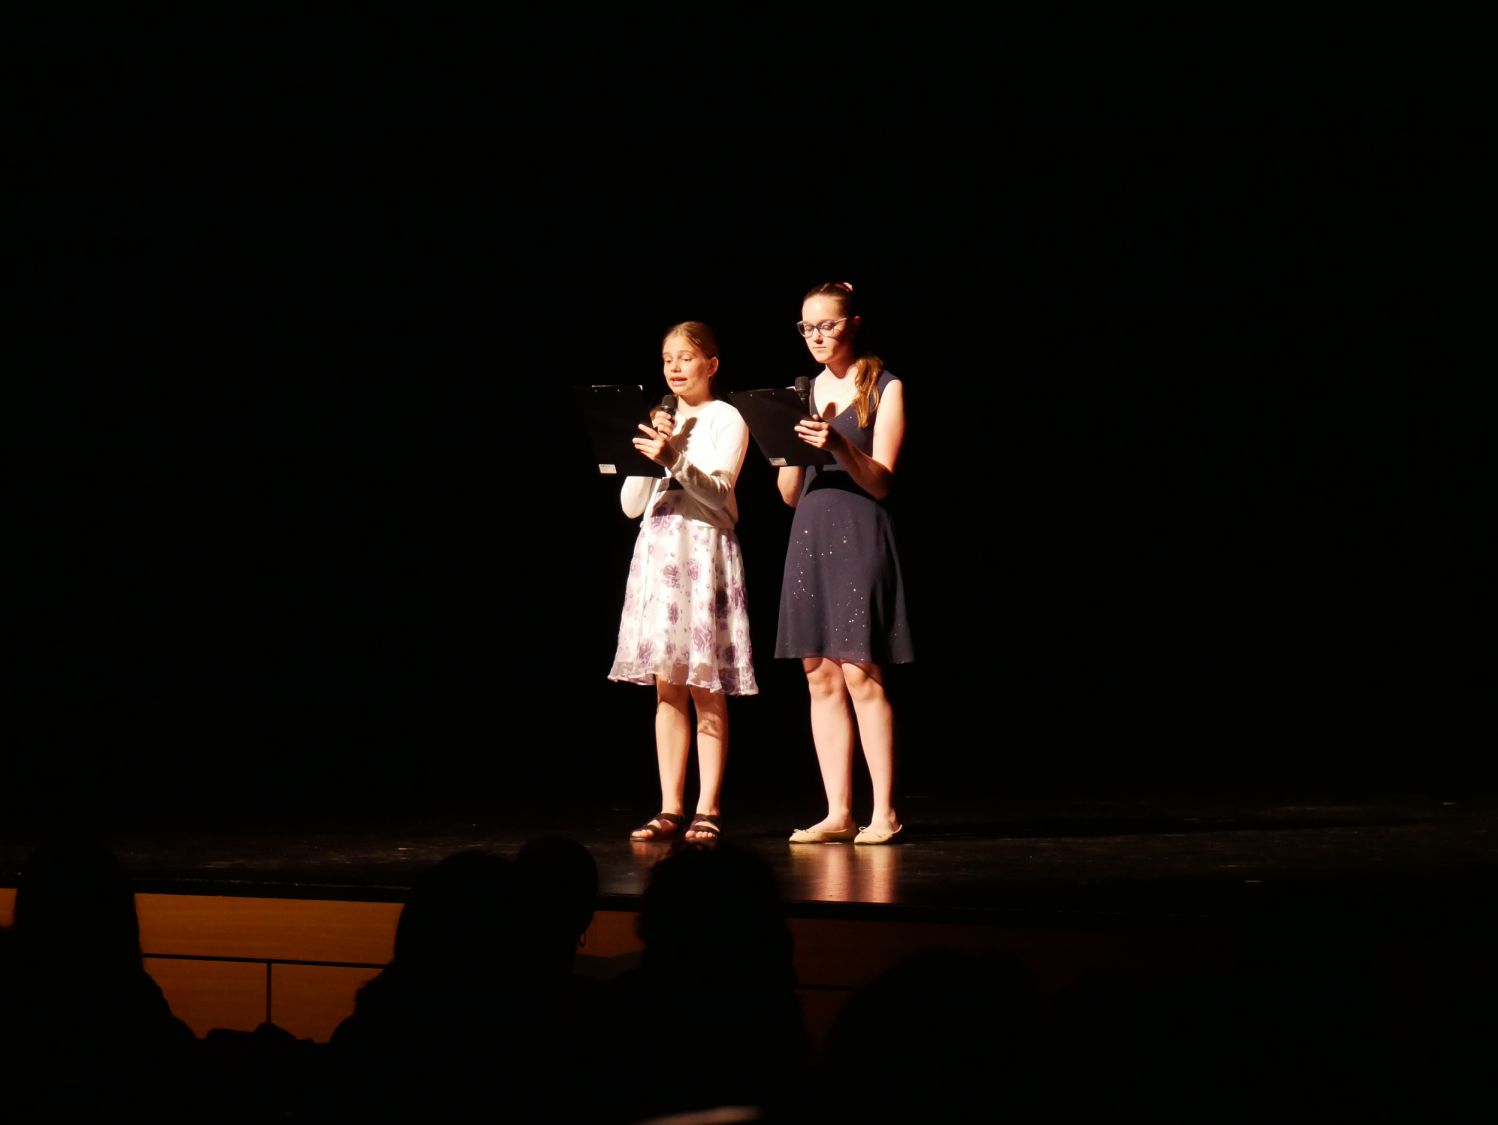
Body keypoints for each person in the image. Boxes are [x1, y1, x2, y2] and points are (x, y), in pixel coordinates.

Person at [609, 320, 757, 845]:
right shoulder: (660, 420)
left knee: (704, 684)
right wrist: (650, 452)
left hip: (703, 554)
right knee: (666, 687)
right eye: (668, 358)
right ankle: (670, 806)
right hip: (659, 556)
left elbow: (717, 494)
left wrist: (673, 455)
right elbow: (630, 506)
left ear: (711, 365)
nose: (674, 367)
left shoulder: (726, 418)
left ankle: (707, 807)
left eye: (686, 357)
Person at [776, 281, 912, 845]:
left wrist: (838, 445)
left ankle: (884, 813)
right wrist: (786, 446)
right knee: (820, 672)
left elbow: (881, 481)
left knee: (860, 669)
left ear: (853, 324)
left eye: (826, 325)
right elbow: (789, 493)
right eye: (807, 327)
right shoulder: (801, 392)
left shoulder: (884, 386)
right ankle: (838, 811)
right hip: (809, 531)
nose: (815, 336)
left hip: (859, 529)